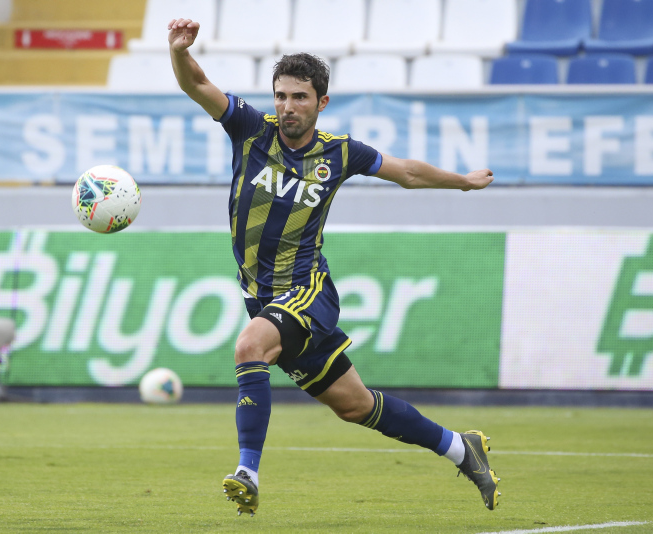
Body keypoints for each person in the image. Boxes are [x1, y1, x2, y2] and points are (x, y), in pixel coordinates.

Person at [168, 17, 500, 517]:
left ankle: (247, 472)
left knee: (250, 346)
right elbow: (196, 83)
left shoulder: (340, 153)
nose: (287, 106)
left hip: (306, 291)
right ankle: (461, 447)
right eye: (281, 96)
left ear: (321, 102)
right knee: (355, 405)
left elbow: (407, 173)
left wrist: (462, 182)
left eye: (299, 97)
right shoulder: (250, 129)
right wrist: (178, 51)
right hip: (263, 298)